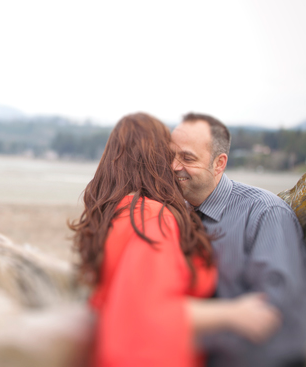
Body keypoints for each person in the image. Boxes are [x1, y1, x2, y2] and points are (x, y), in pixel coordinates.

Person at [69, 113, 281, 367]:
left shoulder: (114, 214)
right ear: (156, 158)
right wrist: (234, 314)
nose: (175, 164)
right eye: (171, 154)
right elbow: (150, 306)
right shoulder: (151, 216)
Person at [170, 113, 306, 367]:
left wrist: (176, 328)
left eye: (187, 157)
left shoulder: (265, 213)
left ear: (219, 163)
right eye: (170, 155)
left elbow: (271, 311)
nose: (173, 165)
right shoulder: (174, 214)